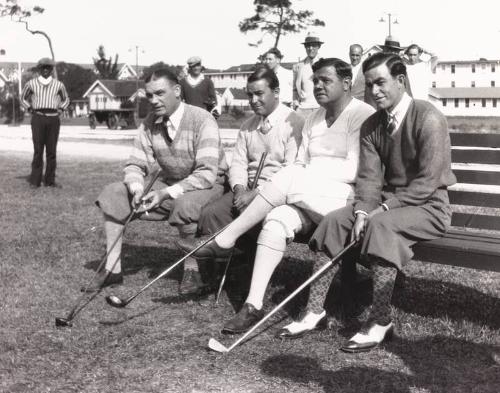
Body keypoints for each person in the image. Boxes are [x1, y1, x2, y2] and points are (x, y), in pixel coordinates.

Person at [177, 58, 375, 334]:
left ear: (346, 83)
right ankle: (252, 305)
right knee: (276, 221)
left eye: (325, 80)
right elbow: (300, 162)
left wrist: (307, 175)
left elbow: (353, 169)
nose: (317, 85)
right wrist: (304, 176)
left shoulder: (362, 114)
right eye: (314, 80)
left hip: (346, 199)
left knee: (290, 175)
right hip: (308, 194)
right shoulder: (314, 118)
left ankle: (225, 238)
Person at [291, 52, 456, 352]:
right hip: (387, 205)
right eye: (368, 85)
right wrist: (363, 211)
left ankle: (381, 320)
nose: (374, 91)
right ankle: (314, 311)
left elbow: (428, 182)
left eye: (381, 83)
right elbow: (368, 180)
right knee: (335, 221)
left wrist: (381, 210)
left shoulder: (428, 116)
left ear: (401, 81)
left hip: (429, 206)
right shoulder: (372, 124)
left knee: (380, 226)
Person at [84, 66, 228, 292]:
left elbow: (206, 174)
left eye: (160, 93)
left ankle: (193, 272)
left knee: (185, 204)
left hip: (209, 185)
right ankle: (112, 269)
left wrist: (163, 194)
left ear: (178, 91)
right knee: (114, 194)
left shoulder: (203, 119)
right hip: (172, 183)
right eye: (149, 95)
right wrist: (136, 188)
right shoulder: (149, 122)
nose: (154, 100)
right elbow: (135, 163)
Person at [177, 66, 304, 295]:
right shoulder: (248, 126)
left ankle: (246, 267)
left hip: (277, 194)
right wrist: (239, 189)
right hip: (246, 191)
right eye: (250, 95)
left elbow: (291, 170)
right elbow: (238, 163)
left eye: (259, 94)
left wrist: (255, 194)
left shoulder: (293, 122)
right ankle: (215, 274)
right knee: (211, 213)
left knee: (257, 219)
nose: (253, 100)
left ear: (276, 92)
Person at [21, 57, 69, 188]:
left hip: (53, 118)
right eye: (43, 67)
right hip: (38, 118)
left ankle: (50, 181)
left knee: (52, 151)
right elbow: (22, 98)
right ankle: (35, 181)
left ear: (52, 69)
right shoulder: (31, 84)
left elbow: (66, 99)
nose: (46, 70)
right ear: (39, 69)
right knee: (38, 150)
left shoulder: (59, 85)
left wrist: (61, 109)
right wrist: (30, 108)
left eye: (48, 67)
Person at [293, 34, 322, 117]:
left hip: (320, 108)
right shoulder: (298, 66)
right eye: (308, 46)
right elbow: (295, 89)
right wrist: (296, 103)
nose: (310, 48)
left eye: (314, 46)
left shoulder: (325, 65)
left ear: (318, 47)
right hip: (303, 108)